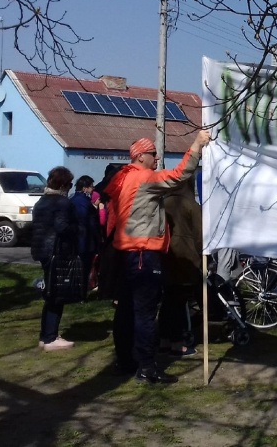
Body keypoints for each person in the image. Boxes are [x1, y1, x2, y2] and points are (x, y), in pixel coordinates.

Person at [105, 131, 210, 383]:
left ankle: (125, 360)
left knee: (126, 312)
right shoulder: (143, 178)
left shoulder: (122, 178)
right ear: (140, 156)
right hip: (144, 254)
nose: (157, 157)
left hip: (126, 253)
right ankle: (147, 367)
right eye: (153, 154)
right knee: (145, 313)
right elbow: (178, 176)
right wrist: (196, 145)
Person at [31, 167, 80, 351]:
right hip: (57, 251)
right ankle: (51, 336)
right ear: (63, 184)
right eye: (69, 184)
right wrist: (77, 228)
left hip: (42, 250)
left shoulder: (42, 201)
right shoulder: (62, 203)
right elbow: (62, 227)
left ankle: (46, 335)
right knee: (57, 295)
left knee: (50, 293)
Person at [159, 175, 202, 356]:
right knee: (179, 302)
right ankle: (177, 343)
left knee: (167, 301)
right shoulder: (191, 205)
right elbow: (200, 235)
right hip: (185, 258)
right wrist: (202, 255)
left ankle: (164, 339)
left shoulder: (163, 203)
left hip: (165, 256)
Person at [70, 175, 102, 284]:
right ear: (85, 188)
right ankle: (81, 292)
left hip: (79, 238)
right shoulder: (83, 202)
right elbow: (87, 221)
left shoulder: (74, 199)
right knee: (84, 267)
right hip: (85, 239)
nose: (93, 188)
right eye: (91, 186)